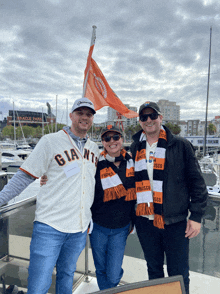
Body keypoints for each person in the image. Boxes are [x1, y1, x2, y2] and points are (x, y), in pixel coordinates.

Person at [0, 97, 100, 294]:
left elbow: (89, 183)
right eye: (80, 113)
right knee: (39, 284)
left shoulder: (94, 149)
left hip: (79, 228)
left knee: (67, 276)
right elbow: (24, 177)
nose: (84, 117)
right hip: (49, 227)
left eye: (88, 114)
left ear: (92, 120)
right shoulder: (50, 141)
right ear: (71, 116)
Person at [130, 101, 208, 294]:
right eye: (144, 117)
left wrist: (196, 217)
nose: (148, 120)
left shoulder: (180, 145)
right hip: (145, 223)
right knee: (154, 271)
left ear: (160, 118)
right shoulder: (134, 147)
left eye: (152, 116)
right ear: (140, 121)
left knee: (178, 274)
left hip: (175, 222)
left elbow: (197, 183)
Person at [89, 125, 136, 290]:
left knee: (114, 273)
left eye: (115, 137)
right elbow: (74, 178)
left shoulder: (133, 162)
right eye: (107, 138)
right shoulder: (94, 164)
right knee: (101, 269)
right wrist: (47, 177)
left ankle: (109, 289)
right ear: (102, 142)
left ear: (122, 139)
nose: (112, 141)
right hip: (98, 227)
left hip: (121, 227)